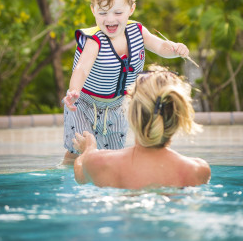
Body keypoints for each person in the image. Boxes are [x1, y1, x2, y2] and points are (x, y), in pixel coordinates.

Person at [62, 0, 189, 164]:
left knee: (112, 156)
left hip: (117, 106)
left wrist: (175, 49)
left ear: (131, 9)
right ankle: (65, 174)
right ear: (93, 10)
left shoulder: (137, 32)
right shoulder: (94, 41)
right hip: (84, 104)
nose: (110, 19)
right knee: (78, 151)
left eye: (118, 12)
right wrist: (73, 91)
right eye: (103, 12)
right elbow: (81, 69)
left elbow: (160, 46)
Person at [73, 66, 210, 189]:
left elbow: (80, 175)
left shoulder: (98, 162)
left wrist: (88, 149)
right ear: (178, 117)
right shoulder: (198, 170)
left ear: (132, 113)